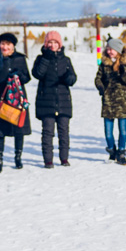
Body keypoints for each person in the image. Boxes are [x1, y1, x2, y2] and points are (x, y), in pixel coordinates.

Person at [0, 33, 32, 172]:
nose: (5, 47)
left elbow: (27, 78)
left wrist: (19, 75)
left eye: (8, 44)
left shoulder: (20, 58)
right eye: (3, 44)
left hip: (17, 99)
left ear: (13, 46)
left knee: (19, 129)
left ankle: (18, 158)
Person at [32, 30, 77, 169]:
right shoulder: (41, 59)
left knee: (64, 133)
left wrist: (68, 78)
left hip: (63, 103)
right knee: (47, 133)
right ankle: (48, 160)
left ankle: (64, 158)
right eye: (49, 42)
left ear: (60, 44)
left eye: (55, 42)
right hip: (46, 102)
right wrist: (46, 57)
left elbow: (73, 78)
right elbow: (37, 73)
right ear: (46, 44)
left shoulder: (66, 60)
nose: (52, 45)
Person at [94, 37, 126, 166]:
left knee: (123, 130)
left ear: (118, 50)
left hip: (122, 102)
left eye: (112, 49)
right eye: (108, 49)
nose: (109, 51)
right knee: (108, 132)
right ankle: (112, 151)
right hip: (108, 102)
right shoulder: (104, 64)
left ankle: (121, 152)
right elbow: (98, 78)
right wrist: (102, 88)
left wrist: (123, 72)